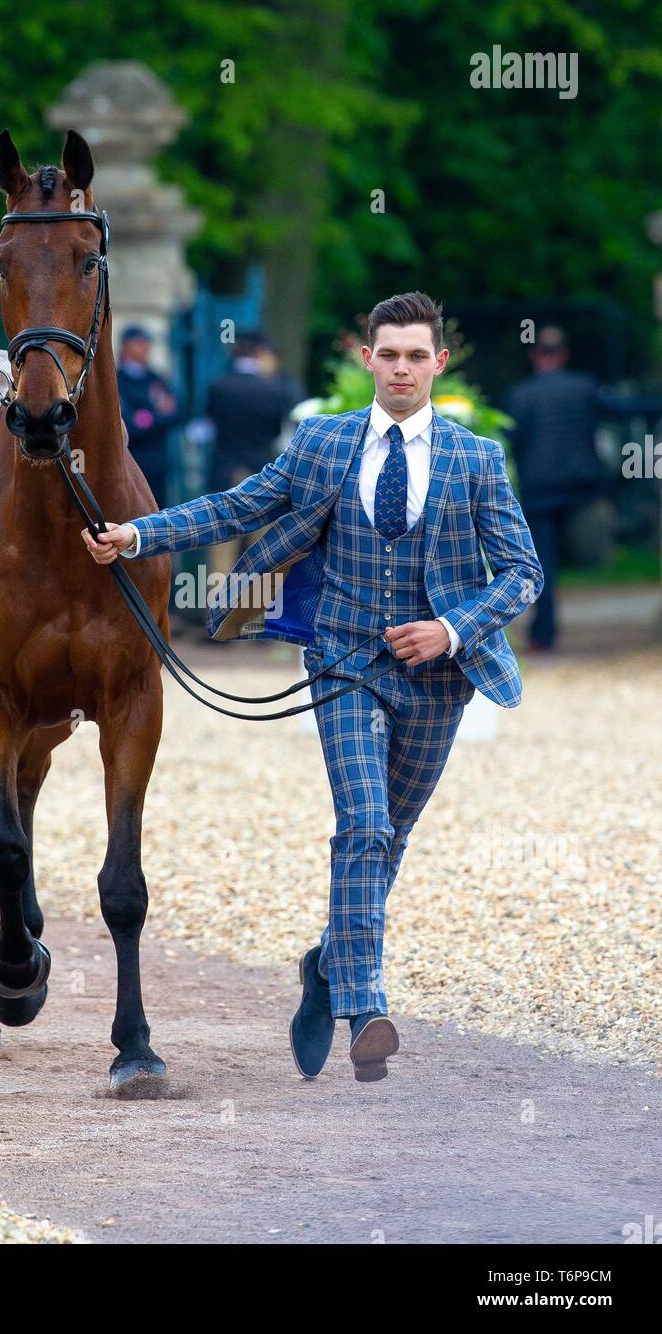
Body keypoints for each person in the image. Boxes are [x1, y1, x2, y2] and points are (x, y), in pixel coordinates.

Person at [83, 292, 542, 1085]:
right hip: (342, 660)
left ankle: (326, 963)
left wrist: (453, 629)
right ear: (367, 359)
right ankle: (365, 1008)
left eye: (415, 356)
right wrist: (138, 534)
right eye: (387, 354)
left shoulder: (476, 459)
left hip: (438, 681)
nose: (401, 368)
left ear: (438, 363)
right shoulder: (323, 441)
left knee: (388, 841)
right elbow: (242, 504)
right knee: (362, 825)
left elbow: (523, 571)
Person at [506, 326, 607, 651]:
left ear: (534, 355)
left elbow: (513, 442)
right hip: (581, 491)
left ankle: (543, 634)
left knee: (543, 564)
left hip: (539, 492)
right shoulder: (585, 387)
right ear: (564, 354)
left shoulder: (520, 394)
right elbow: (622, 409)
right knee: (585, 552)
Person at [204, 332, 299, 582]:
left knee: (222, 547)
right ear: (259, 354)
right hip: (262, 473)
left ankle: (216, 613)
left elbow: (211, 423)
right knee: (261, 553)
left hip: (225, 472)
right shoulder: (275, 390)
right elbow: (279, 431)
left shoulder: (218, 386)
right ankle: (253, 616)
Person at [116, 325, 181, 508]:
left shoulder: (156, 379)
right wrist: (156, 414)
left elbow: (176, 414)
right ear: (125, 347)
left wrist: (145, 417)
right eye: (140, 343)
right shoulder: (116, 380)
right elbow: (128, 425)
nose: (146, 348)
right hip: (131, 463)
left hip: (157, 464)